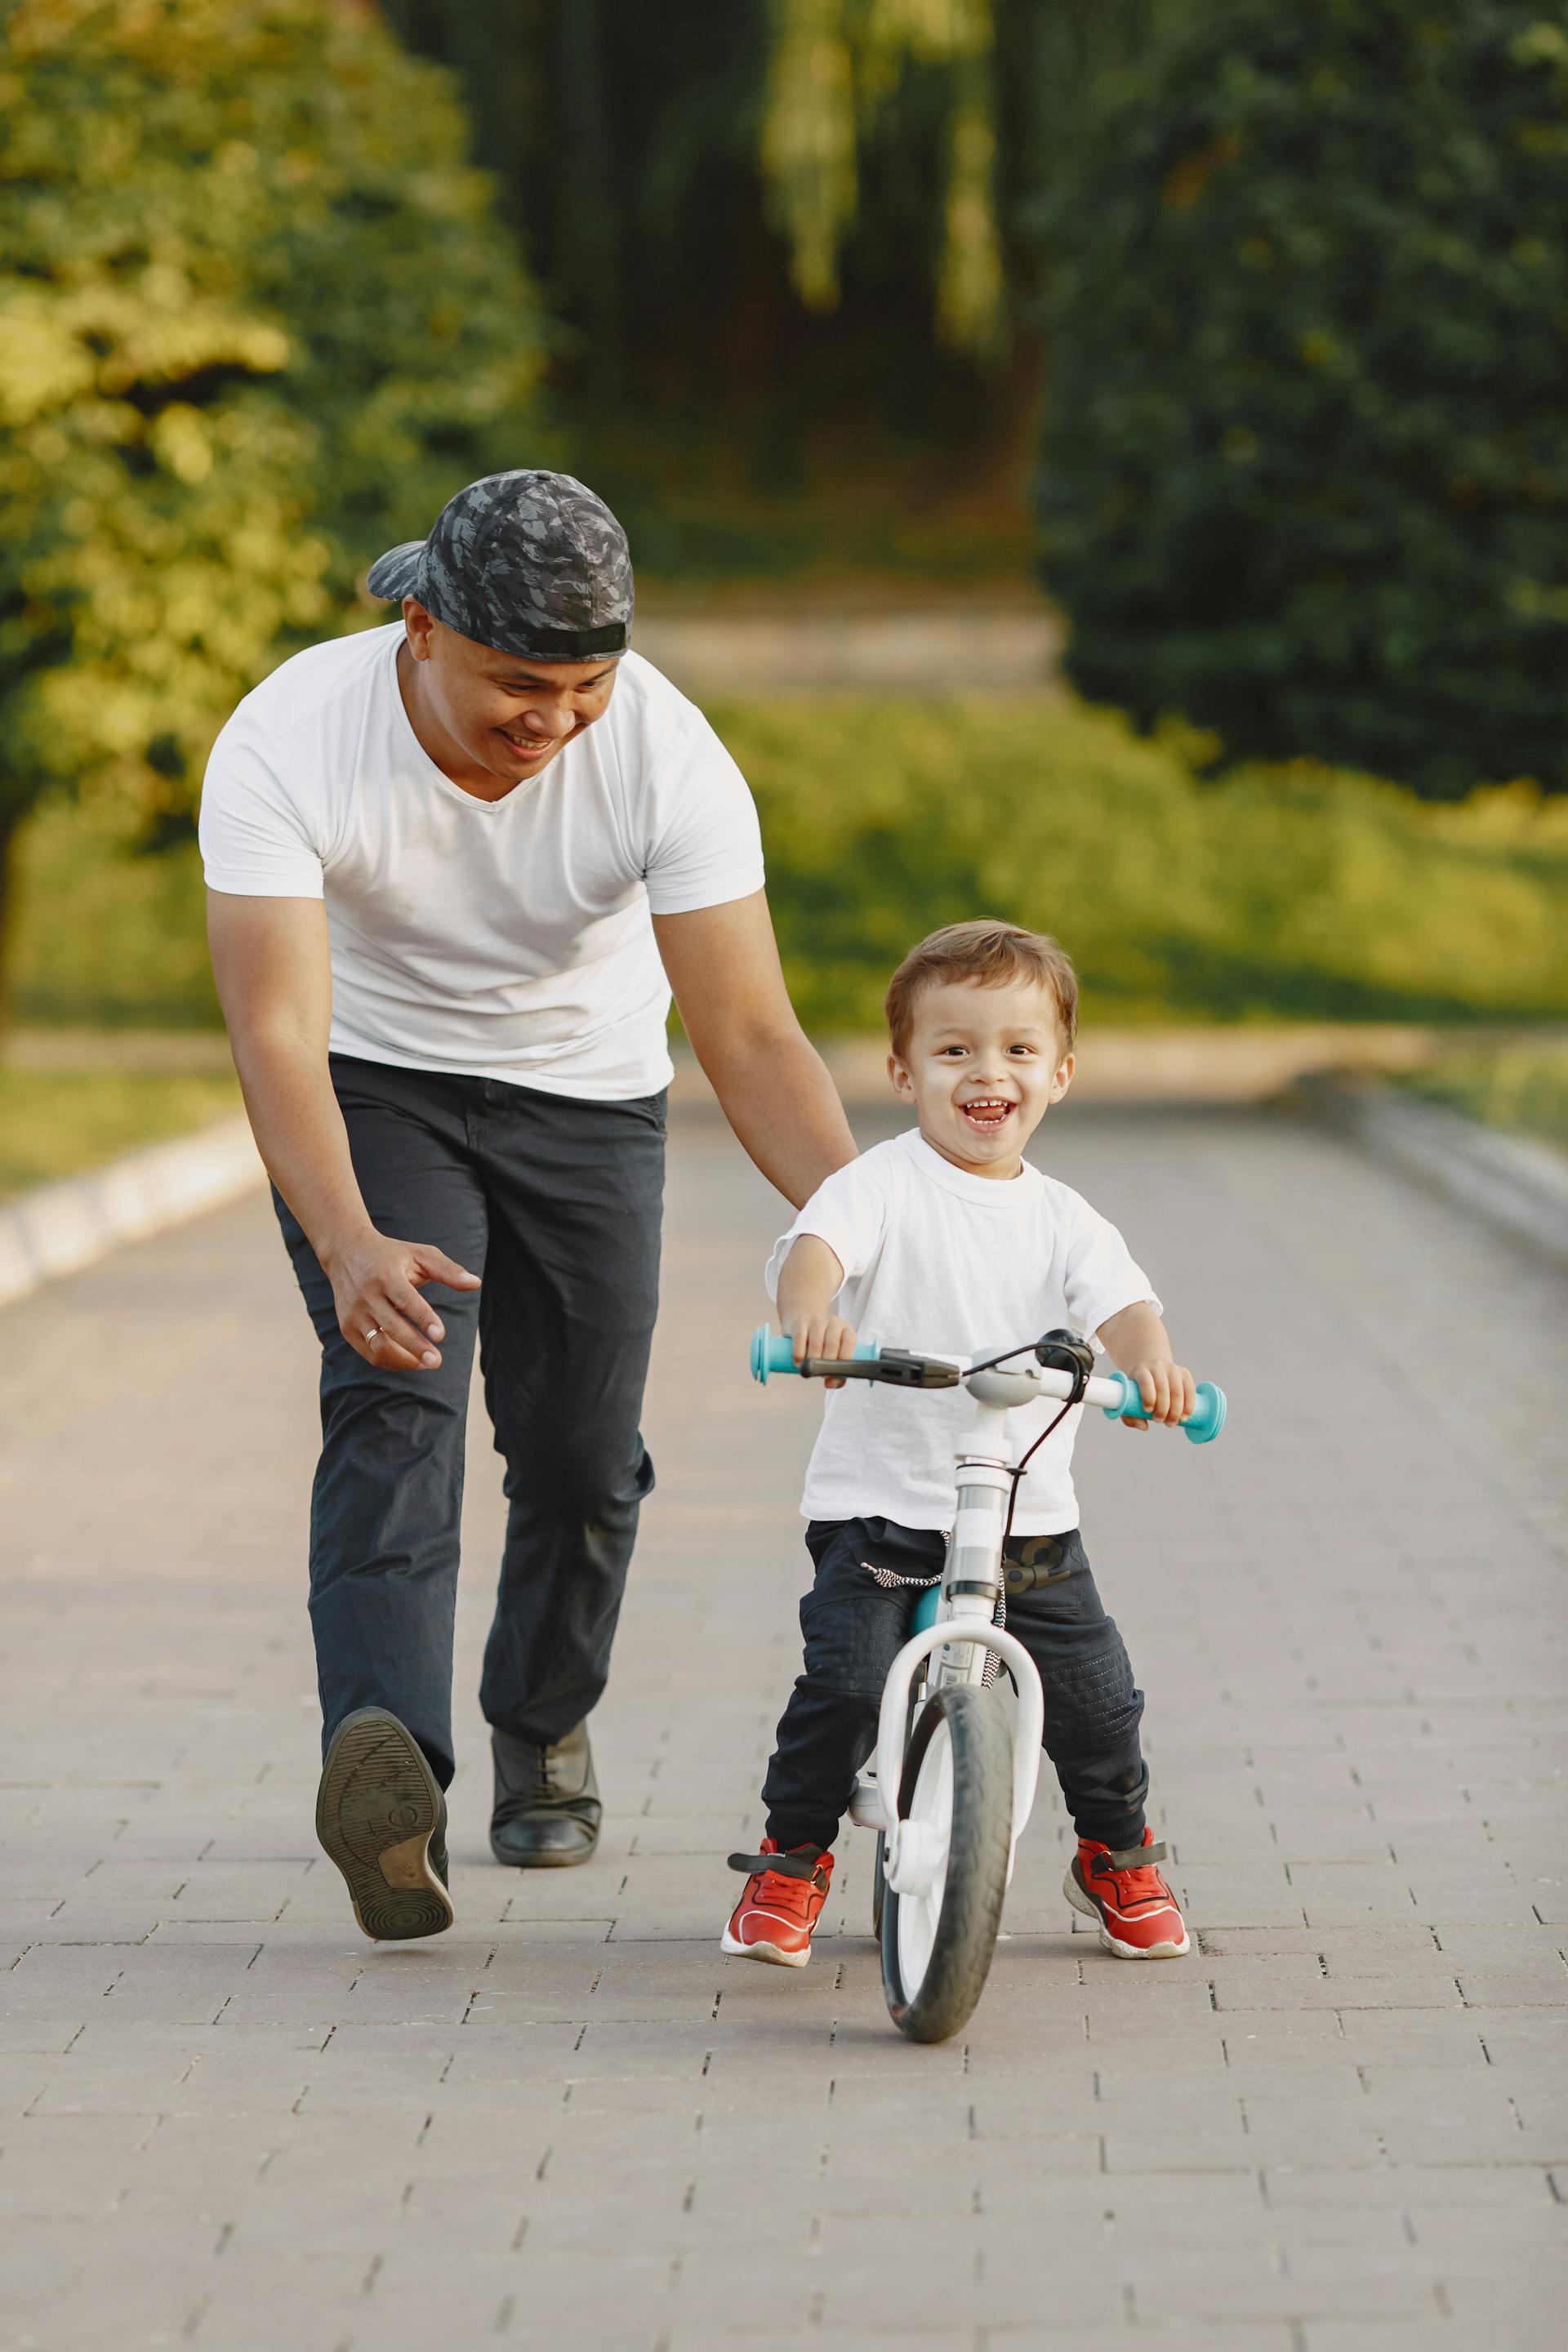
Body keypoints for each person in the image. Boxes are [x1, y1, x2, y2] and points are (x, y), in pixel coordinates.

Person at [201, 470, 855, 1942]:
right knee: (394, 1398)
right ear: (420, 628)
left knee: (578, 1459)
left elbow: (749, 1035)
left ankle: (541, 1723)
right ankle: (390, 1778)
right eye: (516, 684)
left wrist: (878, 1221)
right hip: (377, 1088)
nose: (551, 720)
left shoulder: (669, 755)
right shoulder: (294, 734)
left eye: (583, 686)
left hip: (591, 1099)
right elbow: (276, 1033)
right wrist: (347, 1236)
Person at [722, 919, 1194, 1970]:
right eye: (955, 1051)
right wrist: (813, 1319)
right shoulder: (882, 1184)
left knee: (1097, 1704)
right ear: (904, 1070)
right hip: (882, 1507)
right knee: (844, 1686)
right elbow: (816, 1249)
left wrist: (1152, 1366)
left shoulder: (1065, 1218)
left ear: (1059, 1075)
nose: (989, 1073)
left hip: (1030, 1522)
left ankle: (1119, 1853)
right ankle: (790, 1862)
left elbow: (1126, 1308)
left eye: (1019, 1050)